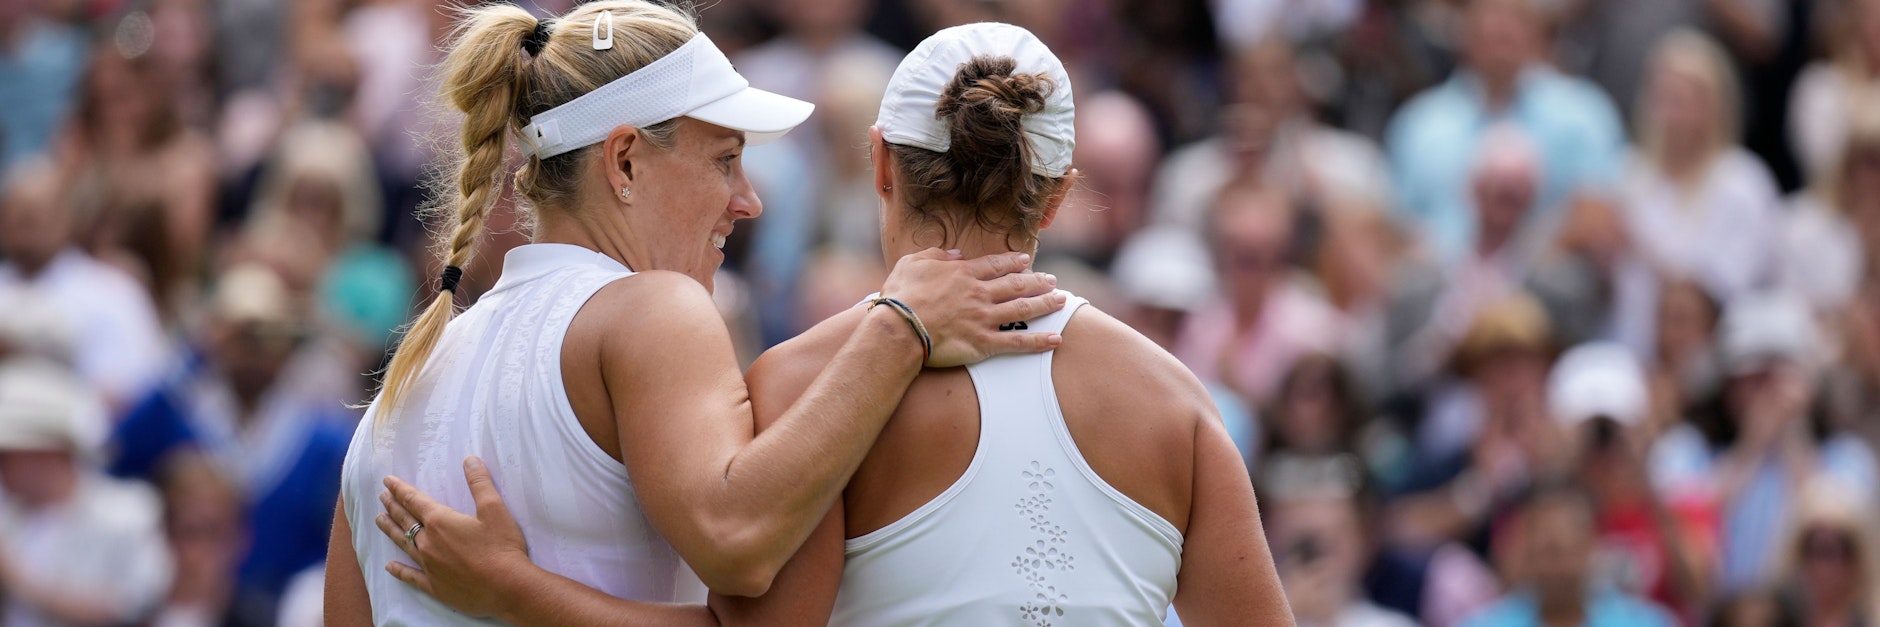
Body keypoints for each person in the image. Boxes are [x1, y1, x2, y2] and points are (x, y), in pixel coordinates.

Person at [371, 20, 1293, 627]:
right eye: (726, 158)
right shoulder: (1177, 400)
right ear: (1054, 200)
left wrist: (514, 592)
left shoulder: (800, 382)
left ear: (880, 167)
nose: (748, 197)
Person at [109, 263, 354, 625]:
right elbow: (116, 454)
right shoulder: (179, 413)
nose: (256, 353)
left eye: (269, 337)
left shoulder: (321, 436)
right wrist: (196, 353)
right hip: (185, 598)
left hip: (287, 603)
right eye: (242, 338)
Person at [1385, 0, 1625, 266]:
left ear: (1538, 31)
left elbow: (1601, 212)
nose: (1501, 28)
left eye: (1514, 17)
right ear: (1464, 33)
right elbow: (1397, 226)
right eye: (1490, 17)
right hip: (1441, 290)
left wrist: (1513, 277)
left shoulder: (1582, 114)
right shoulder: (1421, 125)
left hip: (1545, 292)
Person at [0, 357, 174, 627]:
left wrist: (19, 580)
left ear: (48, 454)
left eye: (7, 457)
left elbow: (134, 606)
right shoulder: (9, 518)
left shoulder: (130, 511)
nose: (3, 471)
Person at [1618, 29, 1780, 303]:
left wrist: (1639, 251)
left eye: (1680, 99)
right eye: (1661, 96)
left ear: (1713, 105)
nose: (1668, 113)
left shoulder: (1742, 181)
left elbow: (1730, 288)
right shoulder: (1626, 173)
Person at [1461, 482, 1678, 627]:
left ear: (1591, 545)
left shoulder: (1648, 622)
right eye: (1546, 550)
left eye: (1566, 548)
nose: (1557, 565)